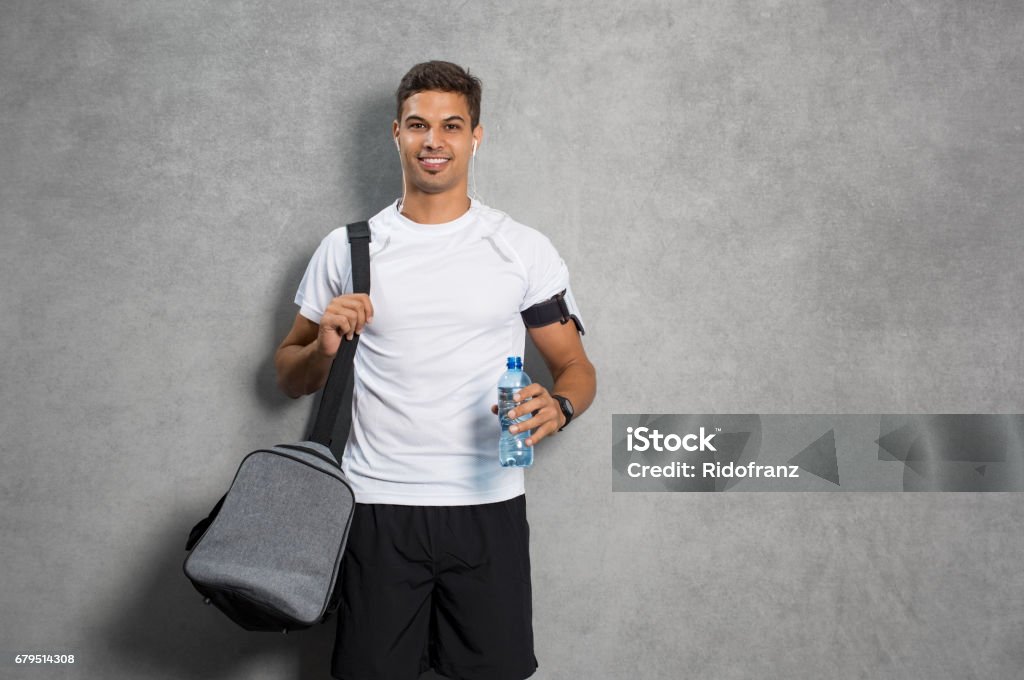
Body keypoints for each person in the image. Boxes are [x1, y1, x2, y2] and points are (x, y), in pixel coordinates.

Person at [274, 61, 596, 680]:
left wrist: (559, 407)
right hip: (374, 507)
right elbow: (288, 377)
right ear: (396, 133)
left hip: (487, 507)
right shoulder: (350, 249)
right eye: (418, 125)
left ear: (477, 136)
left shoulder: (520, 248)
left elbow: (576, 366)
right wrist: (325, 346)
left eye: (452, 125)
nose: (434, 141)